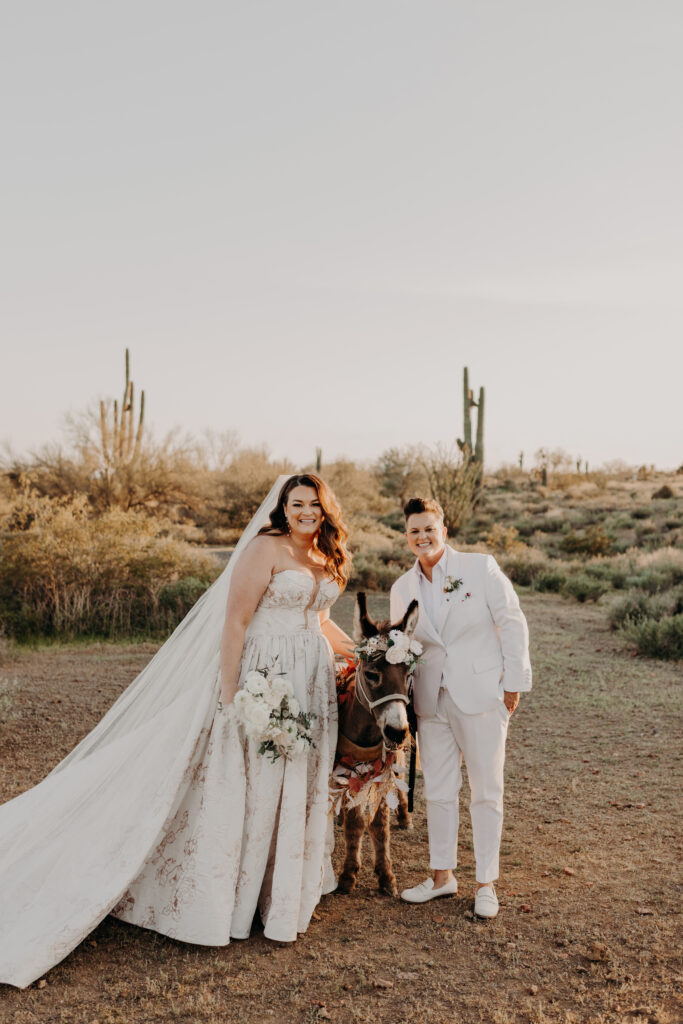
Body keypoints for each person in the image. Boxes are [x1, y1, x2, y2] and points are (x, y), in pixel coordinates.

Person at [0, 474, 353, 989]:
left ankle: (277, 890)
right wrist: (234, 696)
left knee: (293, 777)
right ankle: (233, 896)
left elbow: (319, 620)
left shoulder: (326, 554)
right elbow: (235, 622)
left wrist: (364, 653)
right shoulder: (265, 548)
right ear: (283, 508)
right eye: (296, 503)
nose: (306, 511)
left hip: (312, 677)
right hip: (265, 673)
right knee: (250, 781)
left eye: (314, 504)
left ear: (326, 509)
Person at [390, 497, 531, 918]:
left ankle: (486, 883)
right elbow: (404, 646)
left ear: (444, 531)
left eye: (429, 529)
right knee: (438, 789)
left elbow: (511, 619)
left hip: (483, 693)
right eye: (414, 530)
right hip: (431, 700)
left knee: (486, 790)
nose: (422, 537)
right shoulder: (402, 588)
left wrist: (514, 682)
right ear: (406, 536)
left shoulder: (479, 567)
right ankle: (442, 877)